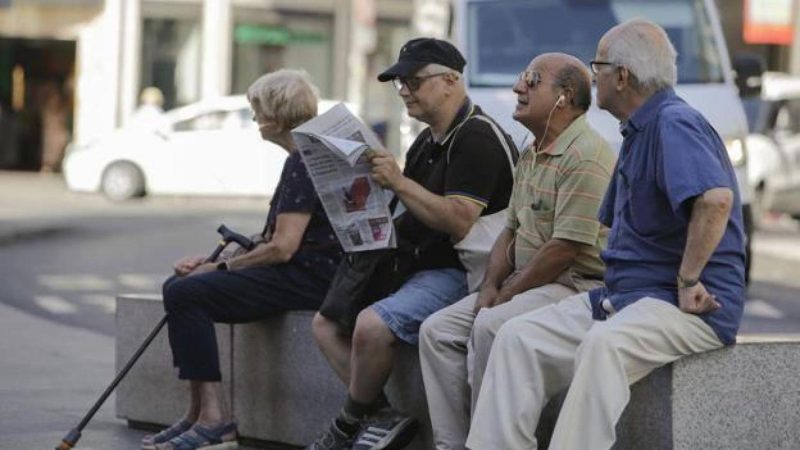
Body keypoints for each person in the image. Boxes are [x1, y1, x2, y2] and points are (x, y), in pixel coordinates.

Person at [466, 19, 746, 450]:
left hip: (686, 305)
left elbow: (716, 199)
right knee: (516, 337)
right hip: (627, 297)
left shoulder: (674, 122)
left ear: (622, 76)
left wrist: (690, 279)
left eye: (597, 65)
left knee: (604, 345)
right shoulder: (637, 131)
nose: (591, 74)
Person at [307, 38, 517, 450]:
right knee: (325, 324)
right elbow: (409, 211)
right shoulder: (427, 139)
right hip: (414, 260)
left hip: (465, 271)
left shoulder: (476, 137)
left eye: (414, 80)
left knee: (371, 325)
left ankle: (349, 424)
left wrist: (398, 182)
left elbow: (458, 220)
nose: (404, 90)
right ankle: (383, 416)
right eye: (399, 82)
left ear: (450, 81)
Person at [418, 52, 616, 450]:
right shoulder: (533, 148)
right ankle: (453, 444)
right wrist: (491, 285)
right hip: (528, 282)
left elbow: (565, 249)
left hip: (572, 285)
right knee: (436, 331)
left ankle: (490, 442)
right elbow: (509, 230)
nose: (517, 87)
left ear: (564, 96)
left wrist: (507, 294)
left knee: (492, 324)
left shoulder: (587, 156)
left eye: (531, 79)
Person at [141, 69, 343, 450]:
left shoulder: (302, 160)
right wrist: (216, 260)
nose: (253, 119)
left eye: (257, 110)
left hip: (308, 278)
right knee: (180, 286)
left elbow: (283, 247)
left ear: (275, 119)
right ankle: (197, 413)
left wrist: (218, 267)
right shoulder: (313, 152)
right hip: (312, 272)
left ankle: (215, 421)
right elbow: (275, 238)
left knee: (187, 293)